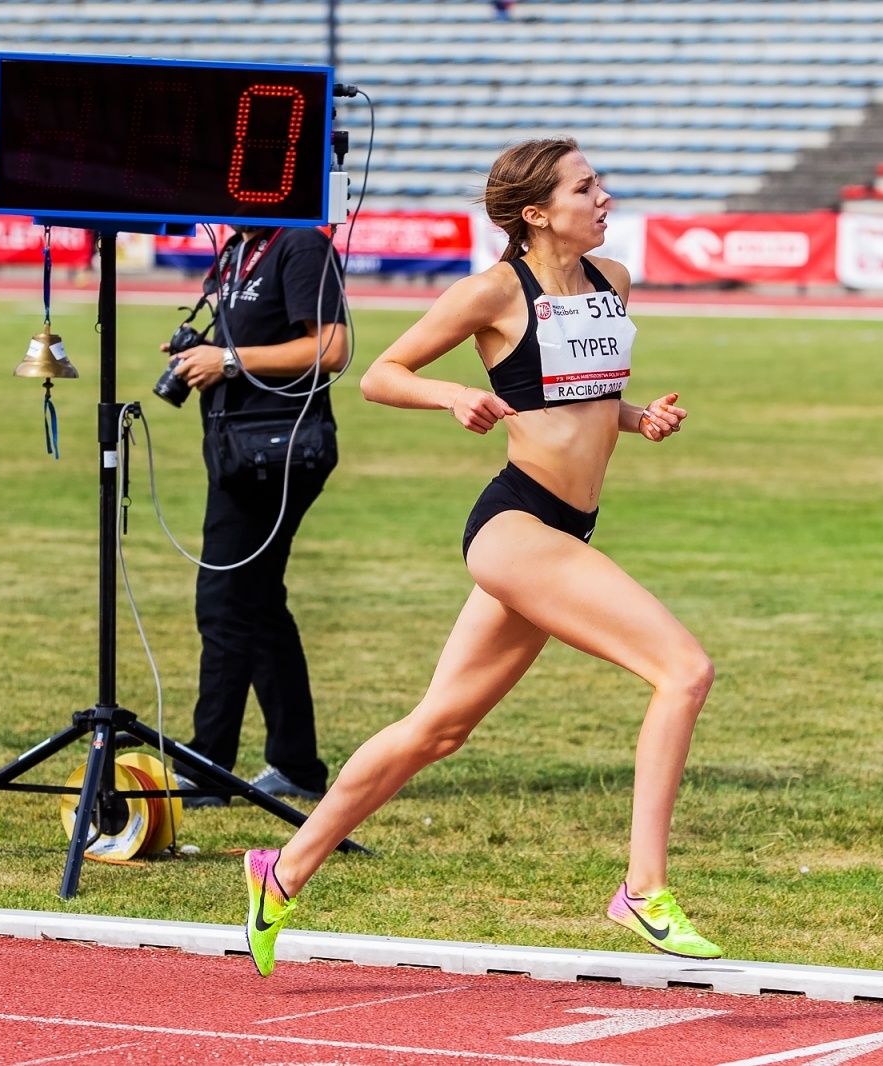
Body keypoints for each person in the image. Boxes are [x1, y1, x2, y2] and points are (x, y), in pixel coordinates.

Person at [240, 137, 721, 976]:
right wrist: (452, 392)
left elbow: (585, 400)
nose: (603, 197)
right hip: (515, 526)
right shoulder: (494, 291)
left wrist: (640, 418)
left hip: (566, 529)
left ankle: (281, 870)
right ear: (536, 213)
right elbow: (378, 374)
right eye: (585, 186)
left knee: (439, 728)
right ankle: (644, 889)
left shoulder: (612, 282)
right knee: (683, 670)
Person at [165, 225, 348, 806]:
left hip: (275, 451)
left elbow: (331, 348)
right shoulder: (241, 246)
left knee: (224, 603)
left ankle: (206, 766)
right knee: (260, 607)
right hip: (241, 448)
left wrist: (227, 359)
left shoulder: (300, 244)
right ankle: (296, 764)